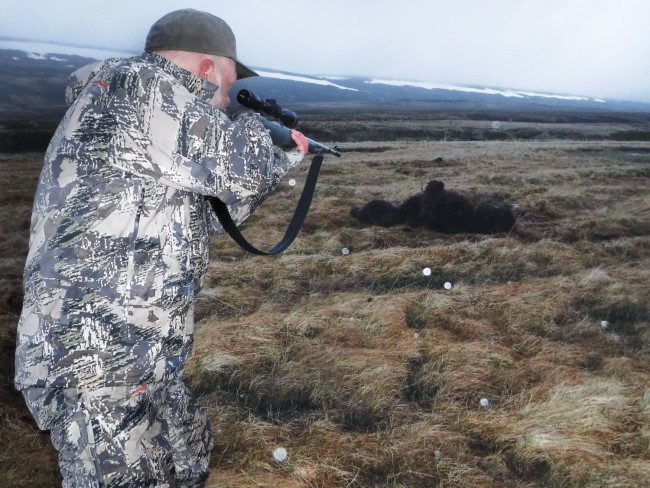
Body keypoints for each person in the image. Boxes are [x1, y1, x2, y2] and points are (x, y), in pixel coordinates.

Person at [14, 8, 308, 487]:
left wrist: (271, 161)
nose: (226, 97)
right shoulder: (139, 87)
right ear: (208, 68)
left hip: (141, 351)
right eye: (230, 83)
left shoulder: (156, 125)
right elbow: (240, 166)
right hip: (95, 358)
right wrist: (283, 144)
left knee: (186, 457)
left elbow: (211, 213)